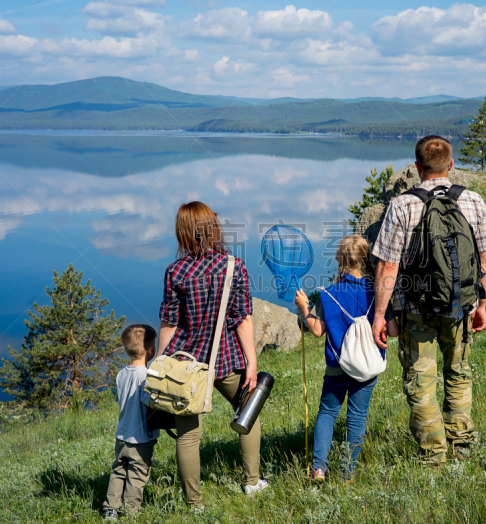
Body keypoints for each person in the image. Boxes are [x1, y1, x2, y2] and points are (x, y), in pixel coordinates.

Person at [371, 135, 486, 464]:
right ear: (450, 165)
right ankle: (461, 447)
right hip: (461, 308)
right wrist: (480, 304)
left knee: (420, 382)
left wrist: (380, 316)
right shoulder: (473, 201)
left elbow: (388, 266)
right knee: (458, 373)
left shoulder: (402, 206)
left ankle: (433, 454)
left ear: (417, 167)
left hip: (417, 310)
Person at [158, 201, 268, 510]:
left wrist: (159, 363)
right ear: (213, 228)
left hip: (186, 365)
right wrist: (252, 362)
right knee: (248, 411)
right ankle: (251, 482)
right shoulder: (233, 265)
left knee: (188, 435)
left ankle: (195, 505)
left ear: (182, 233)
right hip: (227, 359)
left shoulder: (175, 272)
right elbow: (242, 318)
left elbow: (169, 322)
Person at [294, 235, 399, 483]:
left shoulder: (329, 294)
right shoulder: (378, 293)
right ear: (366, 260)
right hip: (367, 368)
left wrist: (304, 308)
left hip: (337, 367)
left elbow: (318, 331)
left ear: (340, 260)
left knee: (328, 412)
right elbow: (393, 331)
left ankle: (319, 468)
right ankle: (347, 473)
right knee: (357, 417)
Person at [102, 324, 159, 520]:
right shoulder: (146, 376)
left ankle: (111, 509)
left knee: (118, 471)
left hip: (122, 435)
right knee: (137, 474)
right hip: (140, 439)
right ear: (151, 349)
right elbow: (150, 404)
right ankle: (131, 512)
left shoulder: (121, 374)